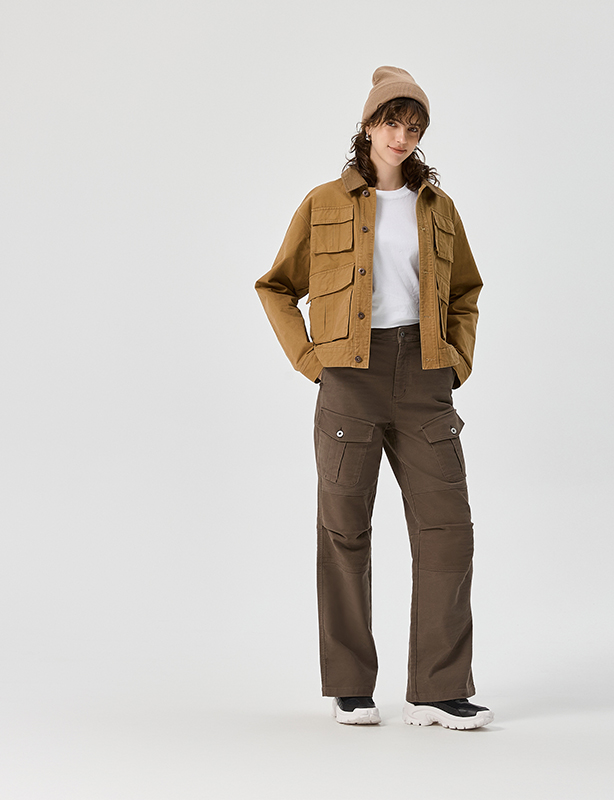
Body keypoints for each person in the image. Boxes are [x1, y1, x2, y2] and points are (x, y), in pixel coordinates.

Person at [255, 66, 492, 730]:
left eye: (414, 127)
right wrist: (311, 361)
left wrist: (456, 362)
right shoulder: (323, 202)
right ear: (367, 126)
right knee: (344, 530)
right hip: (349, 380)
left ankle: (440, 689)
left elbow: (466, 291)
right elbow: (276, 287)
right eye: (391, 123)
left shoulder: (437, 208)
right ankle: (350, 685)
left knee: (448, 531)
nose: (401, 137)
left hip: (425, 376)